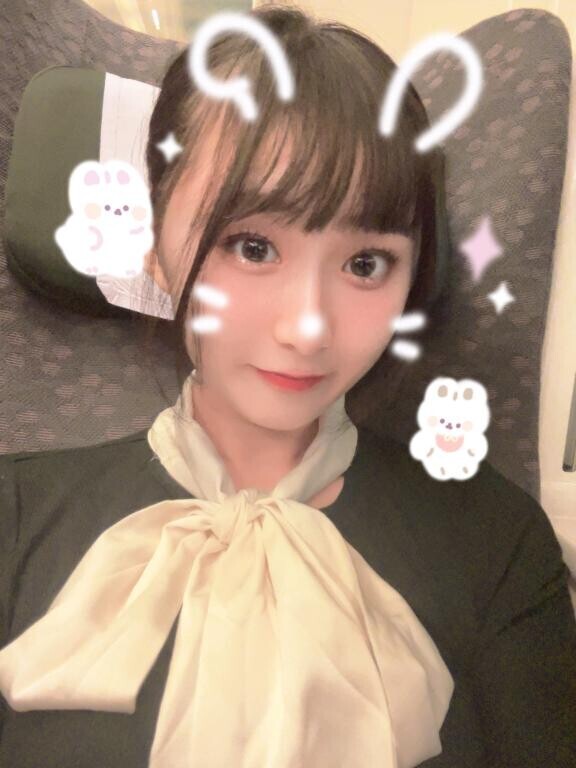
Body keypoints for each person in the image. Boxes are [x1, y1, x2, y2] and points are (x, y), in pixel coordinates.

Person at [1, 5, 575, 768]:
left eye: (366, 264)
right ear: (156, 245)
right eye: (251, 246)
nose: (308, 328)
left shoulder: (499, 545)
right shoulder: (14, 518)